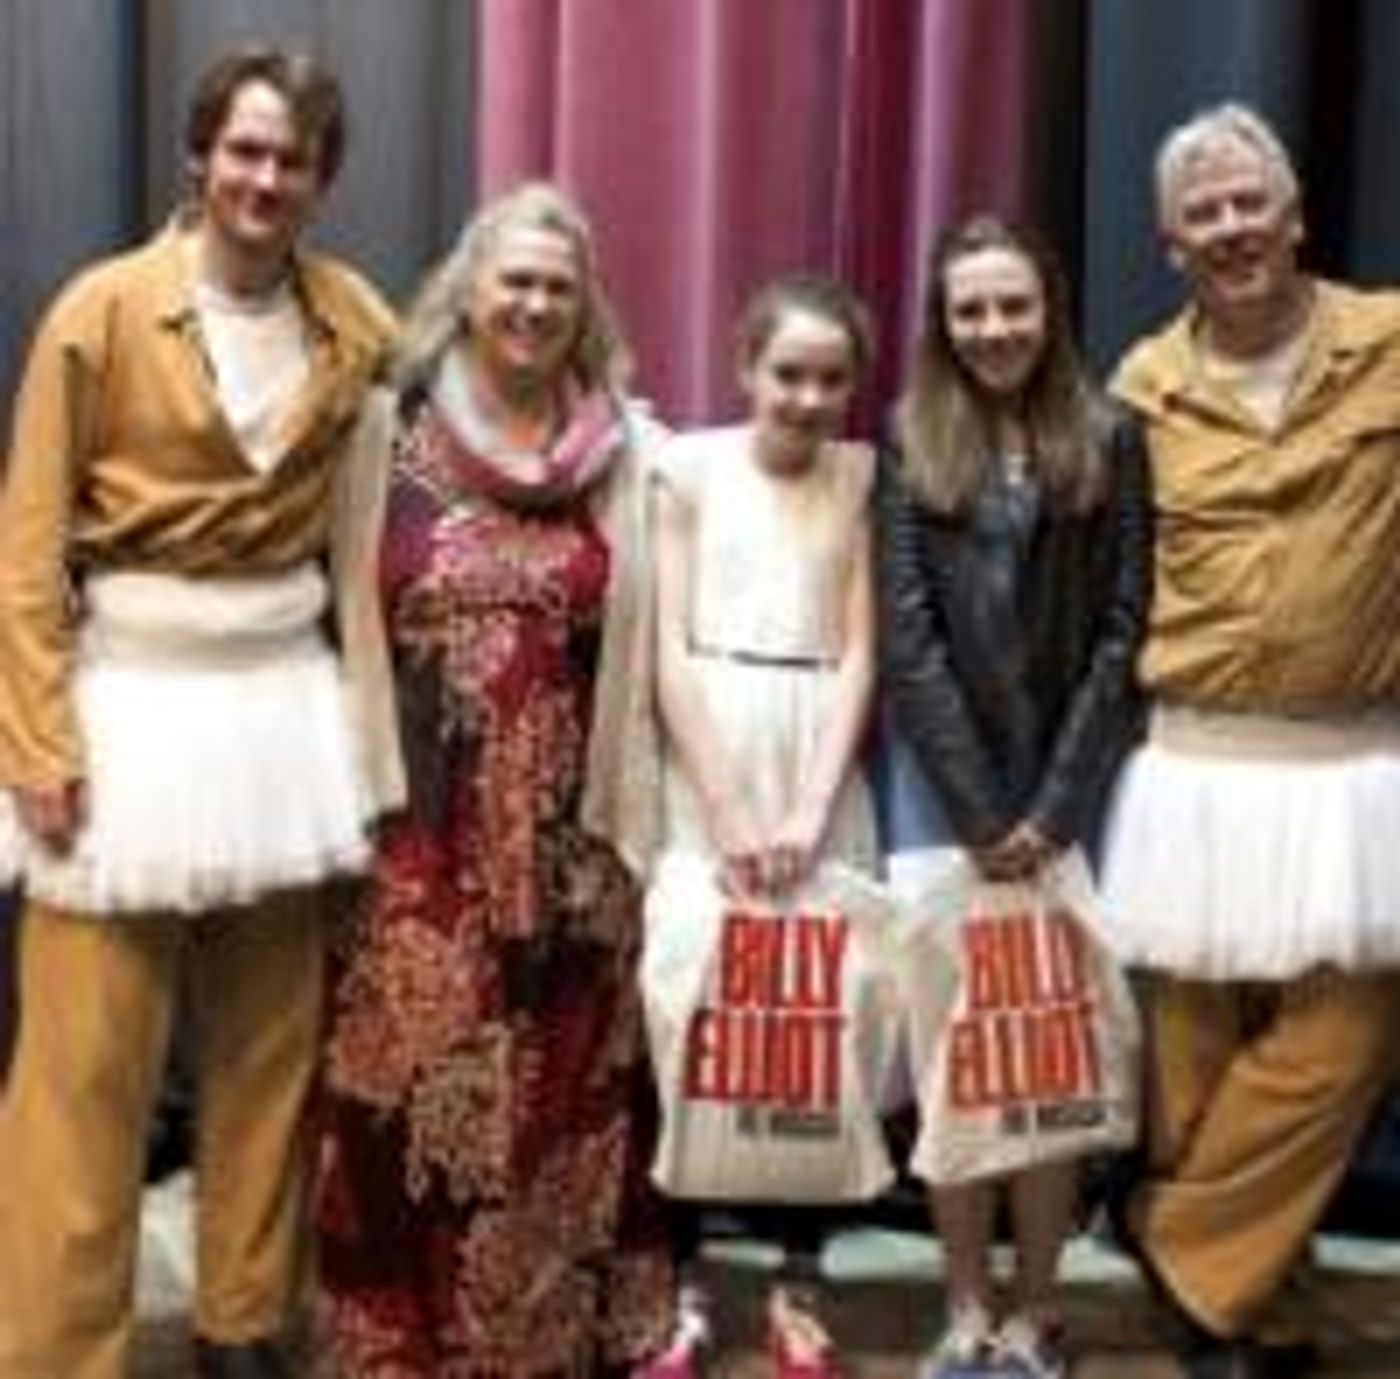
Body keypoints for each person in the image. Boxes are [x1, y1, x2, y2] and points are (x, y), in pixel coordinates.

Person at [0, 46, 396, 1379]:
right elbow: (25, 552)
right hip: (126, 709)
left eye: (291, 159)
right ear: (199, 157)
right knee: (84, 1073)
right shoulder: (100, 312)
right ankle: (57, 1349)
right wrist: (38, 745)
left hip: (283, 711)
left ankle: (243, 1322)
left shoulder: (355, 321)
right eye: (244, 150)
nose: (264, 178)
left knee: (272, 1055)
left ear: (321, 179)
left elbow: (460, 424)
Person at [314, 182, 675, 1376]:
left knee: (557, 1103)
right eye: (513, 281)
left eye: (556, 288)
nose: (532, 304)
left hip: (574, 847)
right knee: (404, 1104)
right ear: (466, 290)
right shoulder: (382, 436)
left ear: (584, 310)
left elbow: (652, 645)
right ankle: (395, 1349)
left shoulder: (621, 454)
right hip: (416, 839)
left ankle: (539, 1343)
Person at [1098, 102, 1400, 1379]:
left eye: (1247, 202)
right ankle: (1244, 1303)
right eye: (1203, 211)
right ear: (1170, 241)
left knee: (1347, 1038)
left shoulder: (1389, 342)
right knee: (1193, 1054)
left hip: (1351, 761)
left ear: (1292, 214)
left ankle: (1172, 1242)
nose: (1231, 228)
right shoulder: (1140, 385)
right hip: (1193, 762)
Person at [874, 215, 1150, 1379]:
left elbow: (1121, 626)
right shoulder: (906, 437)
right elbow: (907, 636)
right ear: (943, 322)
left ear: (1049, 310)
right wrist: (984, 813)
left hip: (1066, 793)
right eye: (968, 309)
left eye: (1012, 305)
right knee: (958, 1060)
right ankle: (964, 1308)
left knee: (1045, 1063)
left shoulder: (1108, 436)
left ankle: (1040, 1312)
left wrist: (1051, 802)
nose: (991, 329)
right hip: (945, 800)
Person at [644, 276, 880, 1378]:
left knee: (808, 1014)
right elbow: (667, 646)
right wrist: (734, 809)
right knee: (691, 1007)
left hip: (813, 759)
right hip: (706, 756)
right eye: (788, 372)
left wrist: (805, 807)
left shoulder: (861, 477)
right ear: (746, 367)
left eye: (832, 377)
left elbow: (858, 653)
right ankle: (682, 1283)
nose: (808, 395)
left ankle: (797, 1278)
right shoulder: (685, 468)